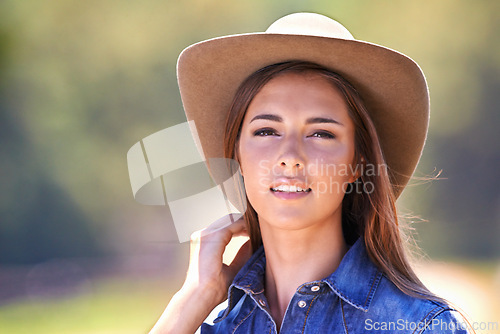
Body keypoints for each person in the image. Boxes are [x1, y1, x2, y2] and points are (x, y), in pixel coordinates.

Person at [149, 13, 469, 333]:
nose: (290, 158)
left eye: (321, 134)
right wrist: (193, 298)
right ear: (237, 157)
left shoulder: (421, 327)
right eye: (266, 131)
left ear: (357, 162)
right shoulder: (217, 328)